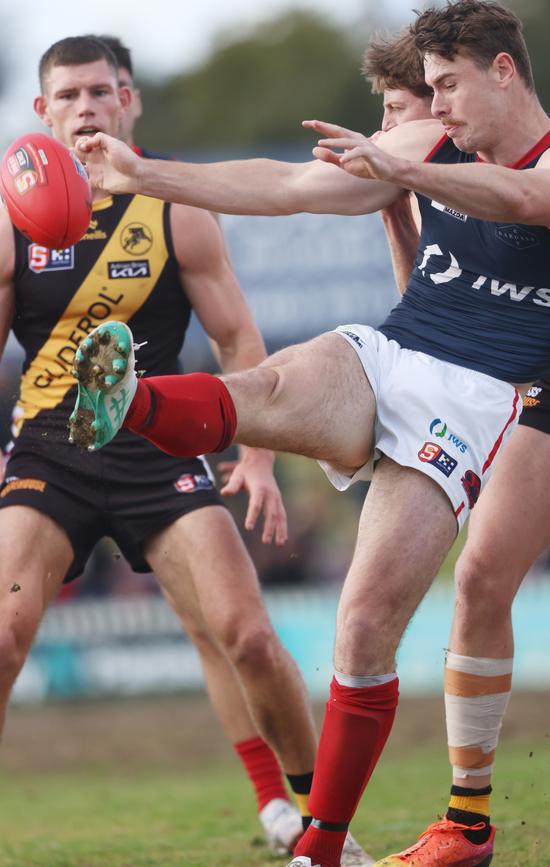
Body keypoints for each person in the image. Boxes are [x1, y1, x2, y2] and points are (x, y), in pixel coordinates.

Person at [70, 3, 550, 866]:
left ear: (504, 71)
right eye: (426, 90)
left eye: (447, 87)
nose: (434, 107)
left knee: (362, 626)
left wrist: (404, 174)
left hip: (470, 405)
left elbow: (521, 198)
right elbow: (290, 188)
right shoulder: (431, 143)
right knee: (272, 384)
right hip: (394, 352)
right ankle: (130, 401)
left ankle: (320, 851)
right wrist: (146, 174)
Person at [0, 34, 322, 860]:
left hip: (158, 438)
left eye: (101, 93)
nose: (86, 108)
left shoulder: (176, 203)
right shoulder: (12, 218)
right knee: (2, 636)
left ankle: (320, 820)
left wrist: (257, 456)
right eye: (67, 96)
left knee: (242, 633)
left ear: (128, 100)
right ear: (42, 113)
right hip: (48, 449)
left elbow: (237, 339)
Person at [359, 24, 550, 866]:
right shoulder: (445, 178)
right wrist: (393, 209)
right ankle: (467, 825)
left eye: (406, 109)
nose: (401, 130)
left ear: (489, 81)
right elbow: (428, 316)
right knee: (482, 574)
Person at [361, 29, 433, 294]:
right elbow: (421, 307)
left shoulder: (495, 168)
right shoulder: (416, 193)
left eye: (396, 108)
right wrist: (394, 214)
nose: (385, 125)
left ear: (440, 101)